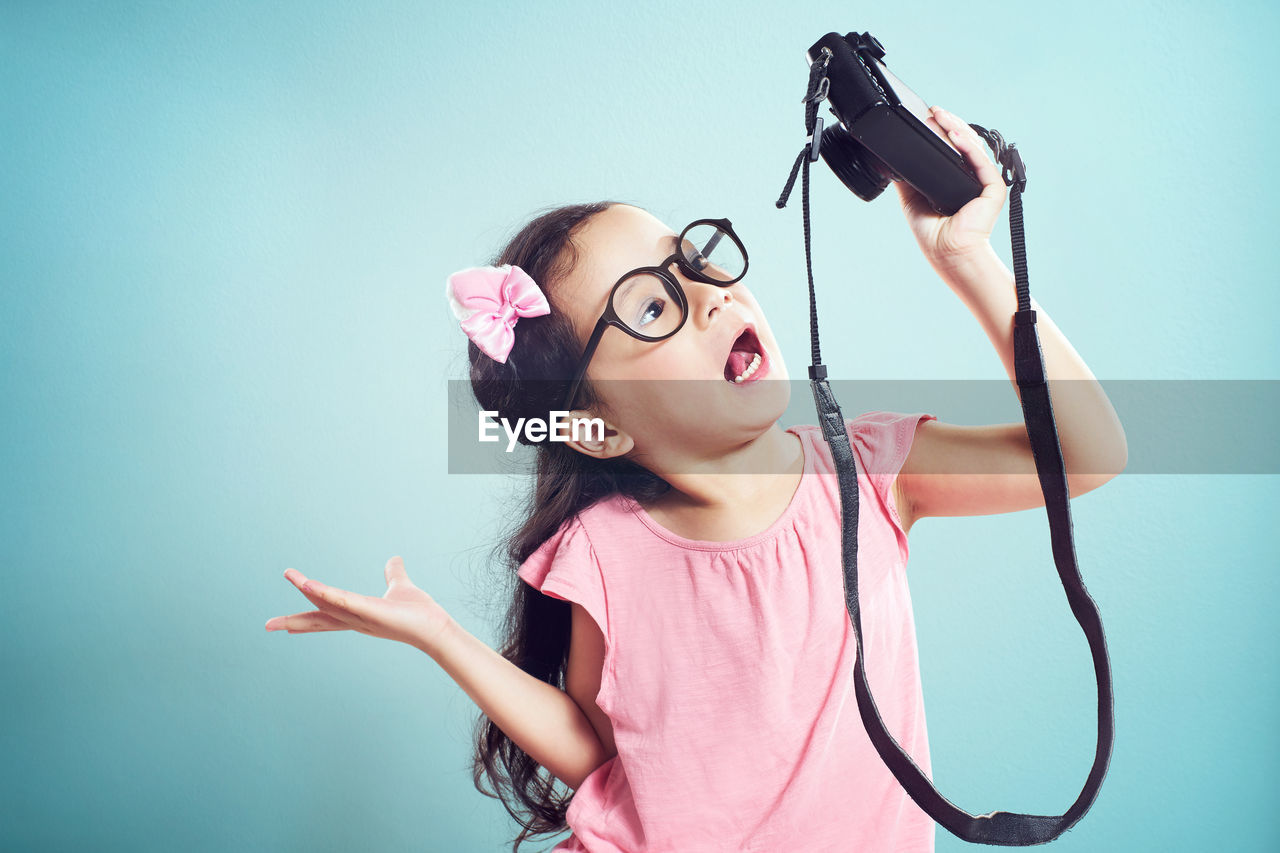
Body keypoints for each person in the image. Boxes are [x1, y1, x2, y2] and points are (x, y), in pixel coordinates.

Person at [264, 106, 1127, 852]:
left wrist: (967, 260)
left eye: (692, 261)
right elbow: (601, 749)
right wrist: (440, 637)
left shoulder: (868, 470)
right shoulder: (601, 552)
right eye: (649, 305)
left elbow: (1089, 453)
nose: (709, 293)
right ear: (598, 427)